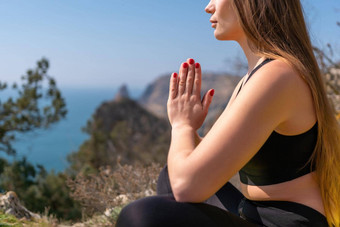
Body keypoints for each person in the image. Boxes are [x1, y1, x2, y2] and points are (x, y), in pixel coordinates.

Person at [116, 0, 340, 226]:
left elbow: (188, 187)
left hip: (287, 222)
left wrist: (181, 126)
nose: (208, 6)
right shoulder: (254, 76)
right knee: (170, 175)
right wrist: (191, 131)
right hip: (252, 212)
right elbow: (205, 163)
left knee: (141, 216)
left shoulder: (278, 75)